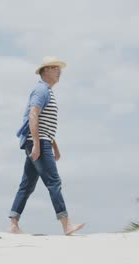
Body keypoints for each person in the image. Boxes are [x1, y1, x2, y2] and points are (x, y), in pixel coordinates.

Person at [9, 56, 85, 235]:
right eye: (56, 68)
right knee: (54, 182)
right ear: (47, 70)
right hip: (38, 141)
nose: (60, 72)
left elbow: (45, 123)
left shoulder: (47, 91)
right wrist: (36, 144)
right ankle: (66, 224)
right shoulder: (41, 90)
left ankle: (13, 224)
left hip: (41, 140)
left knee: (27, 185)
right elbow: (33, 115)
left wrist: (54, 146)